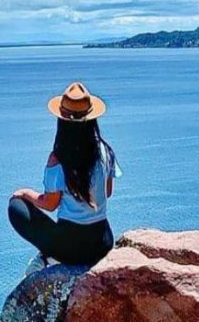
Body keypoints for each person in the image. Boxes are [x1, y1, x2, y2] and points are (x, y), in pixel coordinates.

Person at [8, 82, 120, 266]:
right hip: (103, 243)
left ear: (62, 121)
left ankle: (49, 259)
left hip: (71, 250)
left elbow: (50, 204)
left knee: (15, 207)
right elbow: (107, 192)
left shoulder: (58, 160)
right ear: (92, 119)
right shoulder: (105, 151)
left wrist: (25, 193)